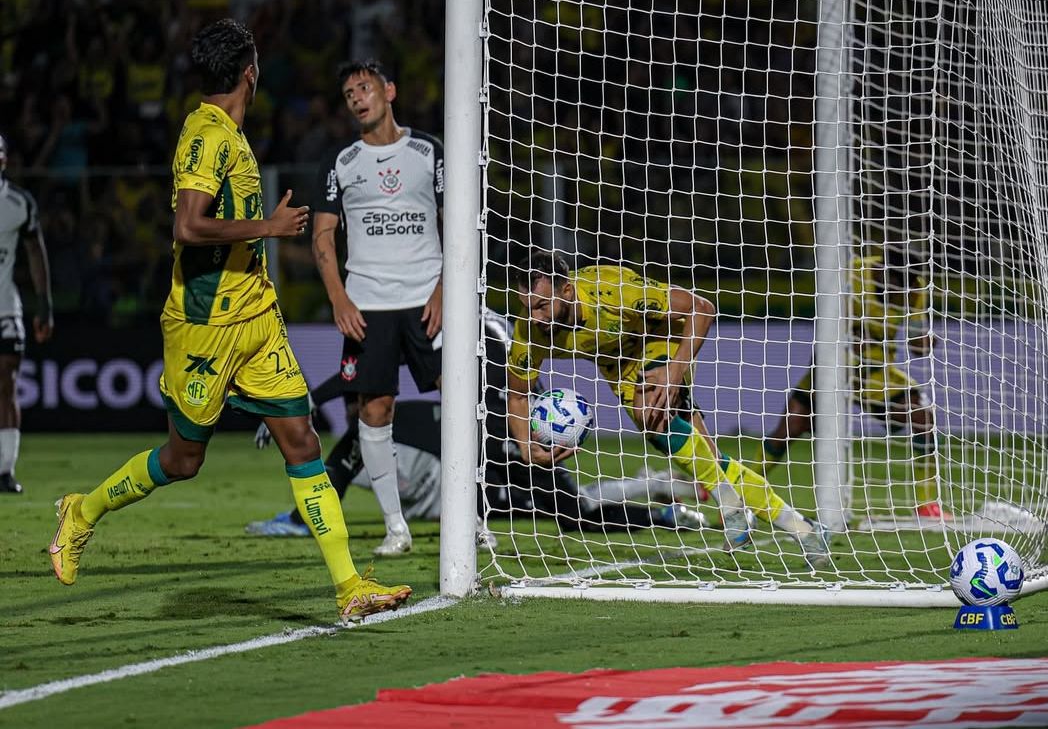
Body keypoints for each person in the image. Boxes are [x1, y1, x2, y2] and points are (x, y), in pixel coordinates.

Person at [48, 19, 411, 623]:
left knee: (302, 440)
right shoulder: (206, 136)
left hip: (256, 318)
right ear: (251, 70)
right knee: (184, 459)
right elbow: (187, 228)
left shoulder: (232, 133)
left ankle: (350, 586)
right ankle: (81, 512)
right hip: (205, 327)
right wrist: (268, 227)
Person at [245, 308, 708, 541]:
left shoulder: (470, 326)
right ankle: (306, 520)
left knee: (572, 514)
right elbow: (368, 375)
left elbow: (511, 388)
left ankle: (659, 505)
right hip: (484, 432)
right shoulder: (455, 318)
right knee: (367, 427)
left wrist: (519, 440)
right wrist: (306, 401)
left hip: (510, 432)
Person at [506, 250, 831, 569]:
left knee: (650, 410)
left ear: (567, 290)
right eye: (528, 307)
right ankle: (804, 530)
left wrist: (675, 371)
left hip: (663, 339)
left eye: (542, 305)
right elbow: (518, 395)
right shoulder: (529, 332)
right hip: (619, 367)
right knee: (707, 459)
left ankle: (732, 504)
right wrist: (526, 447)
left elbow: (701, 309)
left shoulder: (614, 293)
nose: (534, 316)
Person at [311, 58, 444, 556]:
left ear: (389, 90)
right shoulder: (341, 163)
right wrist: (338, 298)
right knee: (373, 408)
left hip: (427, 298)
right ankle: (397, 528)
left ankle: (473, 517)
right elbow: (323, 237)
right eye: (349, 95)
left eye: (364, 88)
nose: (357, 99)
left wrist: (442, 293)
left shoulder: (429, 150)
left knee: (459, 401)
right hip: (369, 304)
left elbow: (457, 225)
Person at [763, 243, 943, 519]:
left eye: (911, 283)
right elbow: (830, 325)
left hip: (875, 372)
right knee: (790, 426)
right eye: (900, 283)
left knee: (921, 416)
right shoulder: (853, 274)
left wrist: (926, 339)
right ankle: (736, 492)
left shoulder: (914, 290)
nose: (905, 290)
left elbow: (917, 347)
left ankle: (927, 503)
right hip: (834, 366)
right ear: (884, 272)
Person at [0, 133, 53, 493]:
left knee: (7, 385)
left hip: (6, 308)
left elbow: (37, 253)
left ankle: (5, 470)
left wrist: (44, 305)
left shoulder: (19, 203)